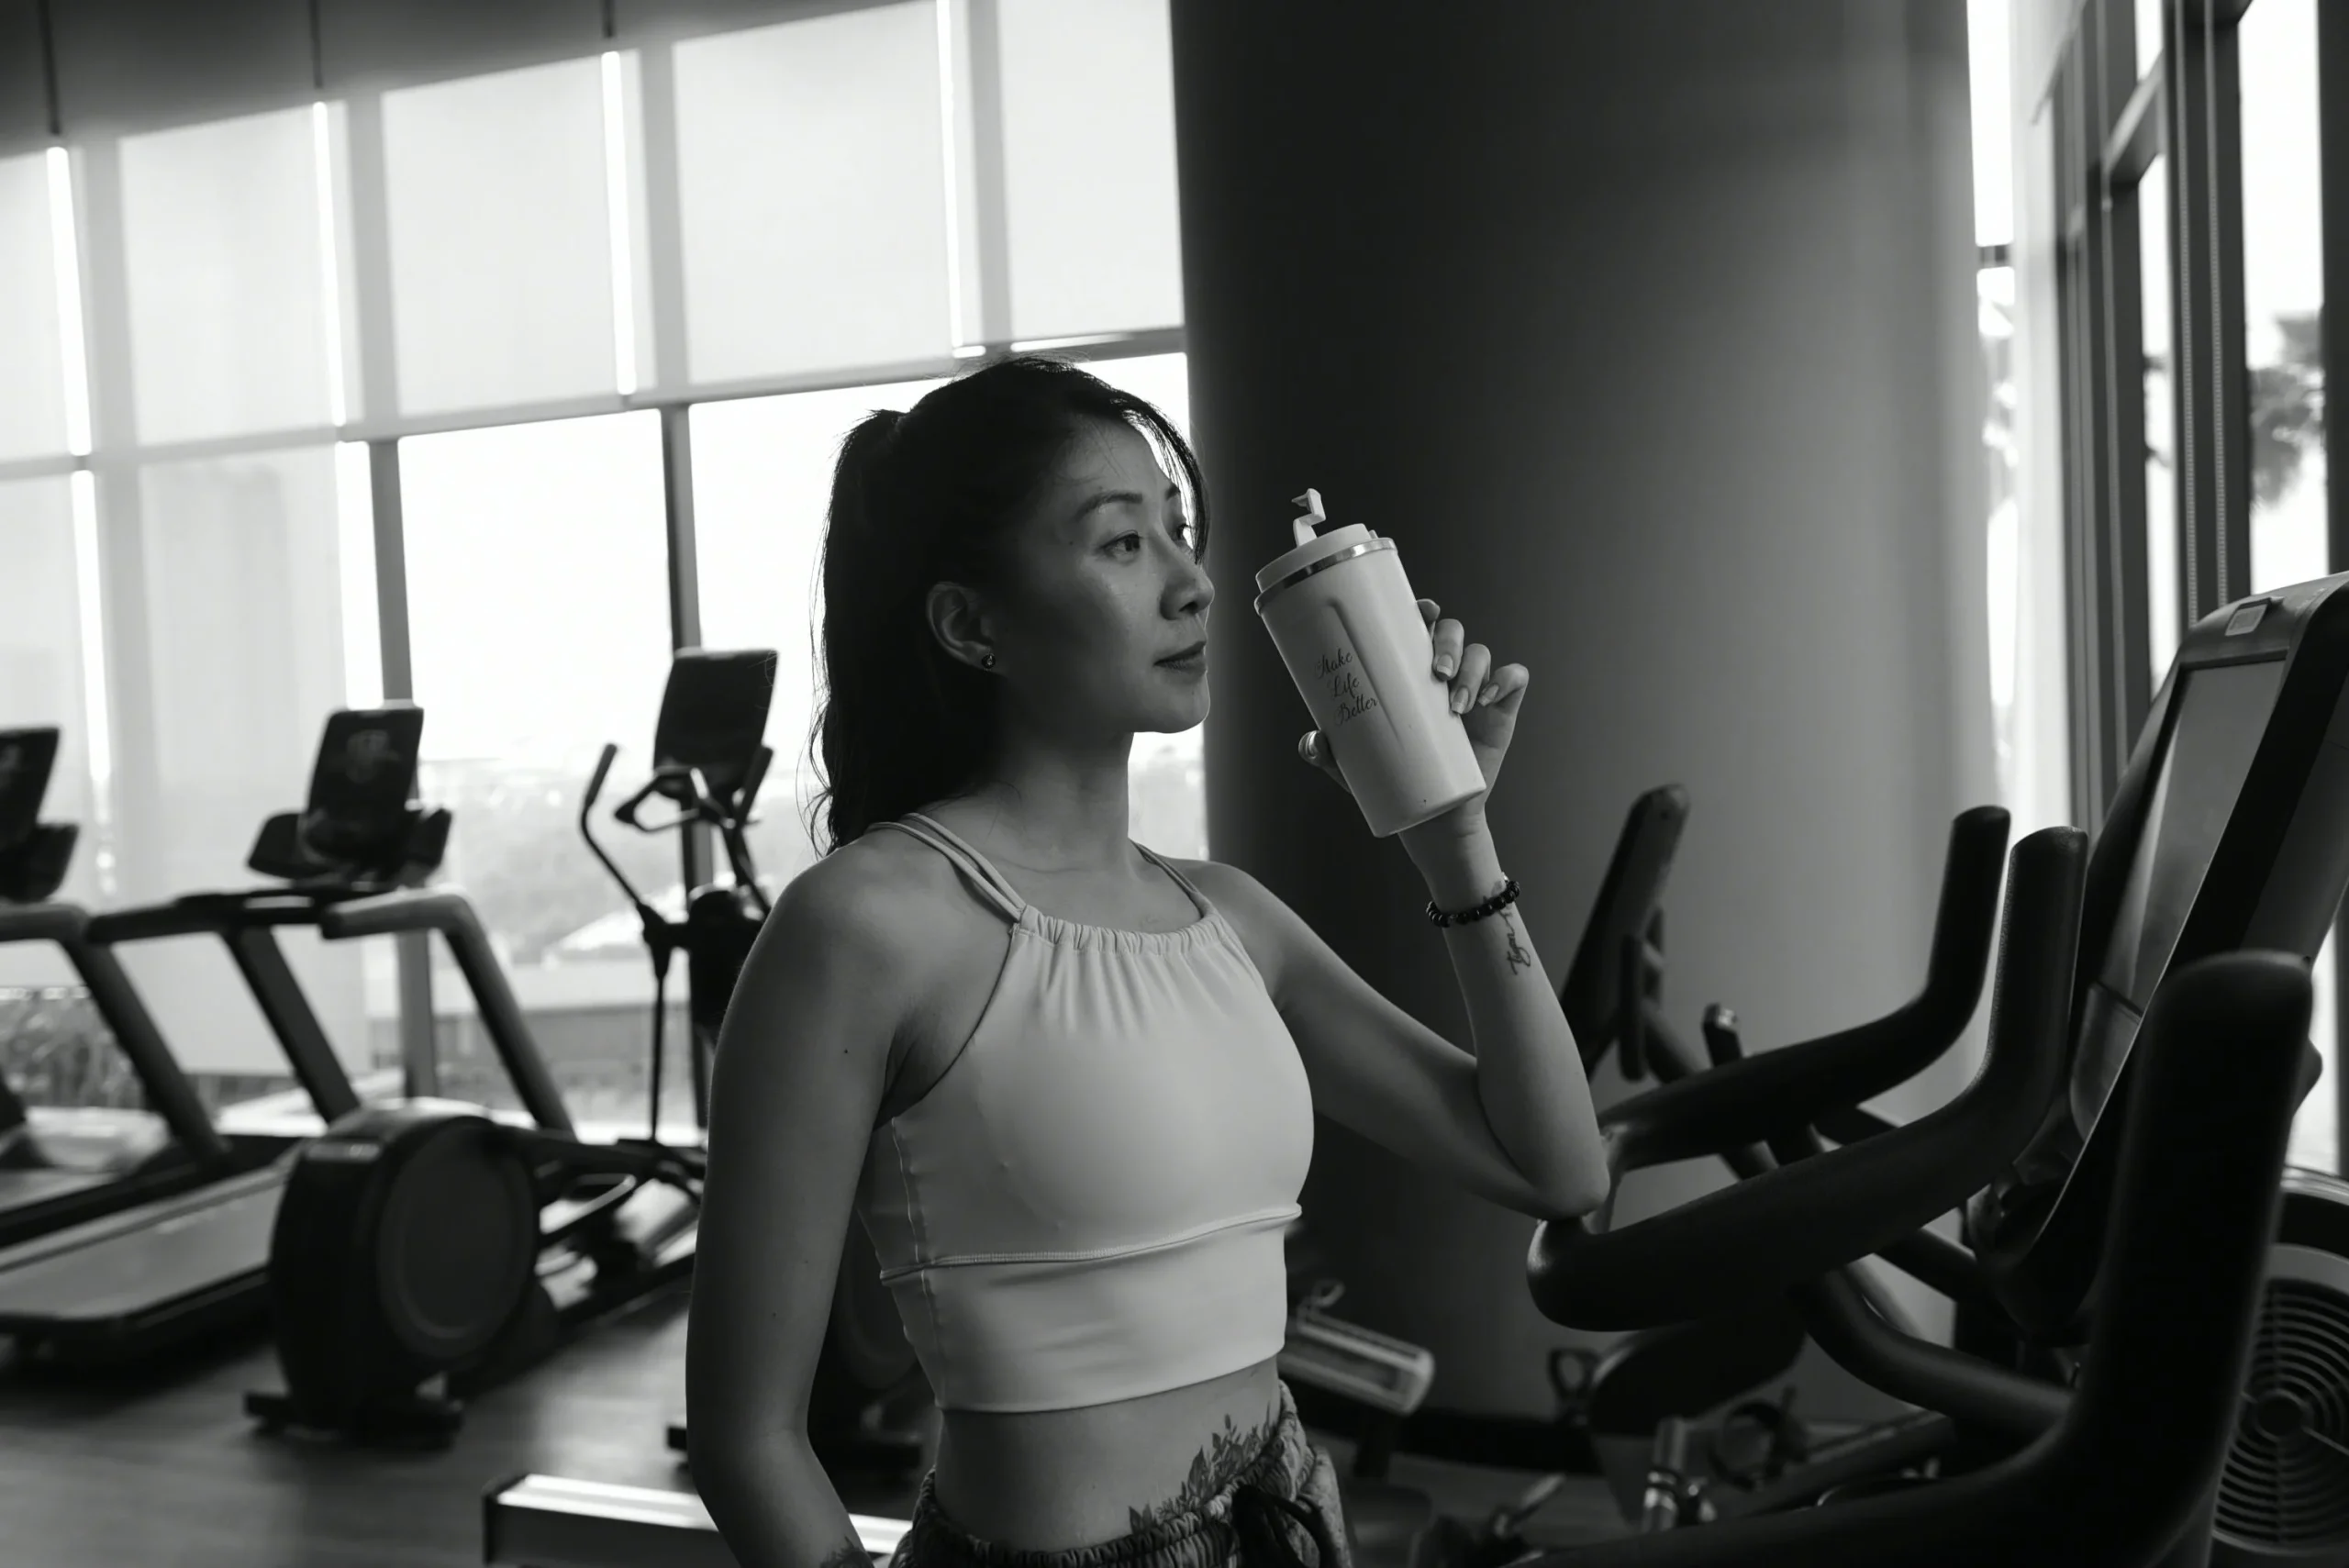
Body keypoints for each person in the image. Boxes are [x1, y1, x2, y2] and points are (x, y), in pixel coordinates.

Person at [687, 353, 1609, 1568]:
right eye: (1122, 545)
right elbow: (745, 1438)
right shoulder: (865, 927)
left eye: (1179, 534)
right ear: (972, 625)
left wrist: (1451, 834)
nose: (1193, 585)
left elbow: (1553, 1164)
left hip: (1293, 1529)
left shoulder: (1230, 919)